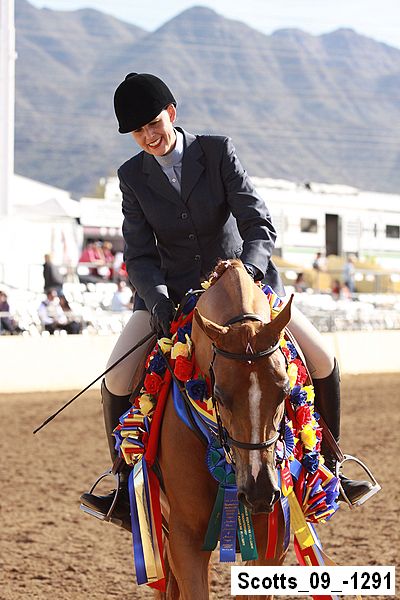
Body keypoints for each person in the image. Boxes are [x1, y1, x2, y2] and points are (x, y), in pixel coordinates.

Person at [81, 72, 374, 521]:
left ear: (171, 114)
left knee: (322, 360)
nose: (149, 136)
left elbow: (258, 223)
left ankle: (332, 467)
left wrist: (249, 273)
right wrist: (157, 301)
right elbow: (138, 255)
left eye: (154, 124)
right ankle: (122, 487)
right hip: (174, 299)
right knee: (117, 378)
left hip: (245, 291)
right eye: (138, 132)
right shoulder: (131, 177)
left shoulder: (217, 151)